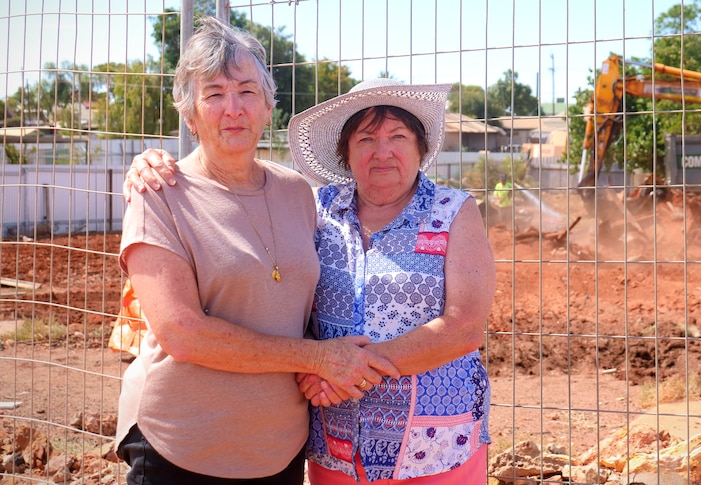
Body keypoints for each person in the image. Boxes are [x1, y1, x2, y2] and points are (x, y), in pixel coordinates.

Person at [125, 78, 497, 484]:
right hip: (333, 443)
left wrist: (348, 369)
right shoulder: (316, 208)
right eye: (366, 139)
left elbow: (463, 327)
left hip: (432, 443)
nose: (383, 151)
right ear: (346, 153)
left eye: (398, 136)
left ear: (420, 147)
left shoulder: (454, 212)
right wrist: (150, 162)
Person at [115, 18, 397, 485]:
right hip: (183, 448)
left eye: (247, 92)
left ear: (268, 107)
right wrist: (316, 359)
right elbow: (183, 334)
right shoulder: (158, 193)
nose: (233, 109)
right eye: (214, 94)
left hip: (279, 449)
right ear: (189, 114)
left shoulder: (296, 193)